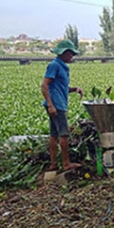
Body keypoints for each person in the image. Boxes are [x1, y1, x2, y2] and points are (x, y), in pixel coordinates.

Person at [41, 39, 84, 171]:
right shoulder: (55, 65)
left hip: (58, 103)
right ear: (63, 53)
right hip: (56, 105)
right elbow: (44, 85)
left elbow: (61, 87)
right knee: (63, 134)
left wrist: (74, 89)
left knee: (54, 134)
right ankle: (66, 163)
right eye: (70, 53)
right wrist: (50, 105)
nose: (72, 56)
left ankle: (54, 164)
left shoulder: (62, 67)